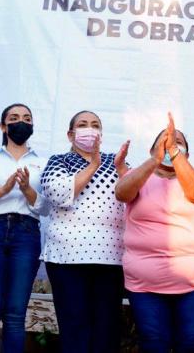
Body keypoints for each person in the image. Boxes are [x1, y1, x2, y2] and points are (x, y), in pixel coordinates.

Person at [115, 113, 194, 353]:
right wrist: (154, 161)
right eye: (165, 141)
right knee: (153, 343)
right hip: (144, 285)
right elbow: (122, 193)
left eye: (177, 142)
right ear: (153, 150)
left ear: (186, 154)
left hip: (191, 283)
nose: (171, 145)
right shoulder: (139, 177)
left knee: (190, 343)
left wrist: (174, 154)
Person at [40, 110, 130, 352]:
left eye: (95, 125)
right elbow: (58, 194)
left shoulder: (116, 161)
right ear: (71, 135)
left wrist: (122, 169)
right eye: (83, 124)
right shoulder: (59, 161)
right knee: (74, 328)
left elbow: (134, 194)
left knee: (106, 330)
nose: (89, 129)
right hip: (66, 258)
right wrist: (93, 166)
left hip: (111, 257)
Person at [0, 103, 47, 353]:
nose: (21, 122)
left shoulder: (43, 163)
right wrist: (3, 190)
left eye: (27, 118)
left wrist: (27, 190)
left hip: (26, 233)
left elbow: (46, 208)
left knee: (16, 312)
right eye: (15, 118)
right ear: (3, 126)